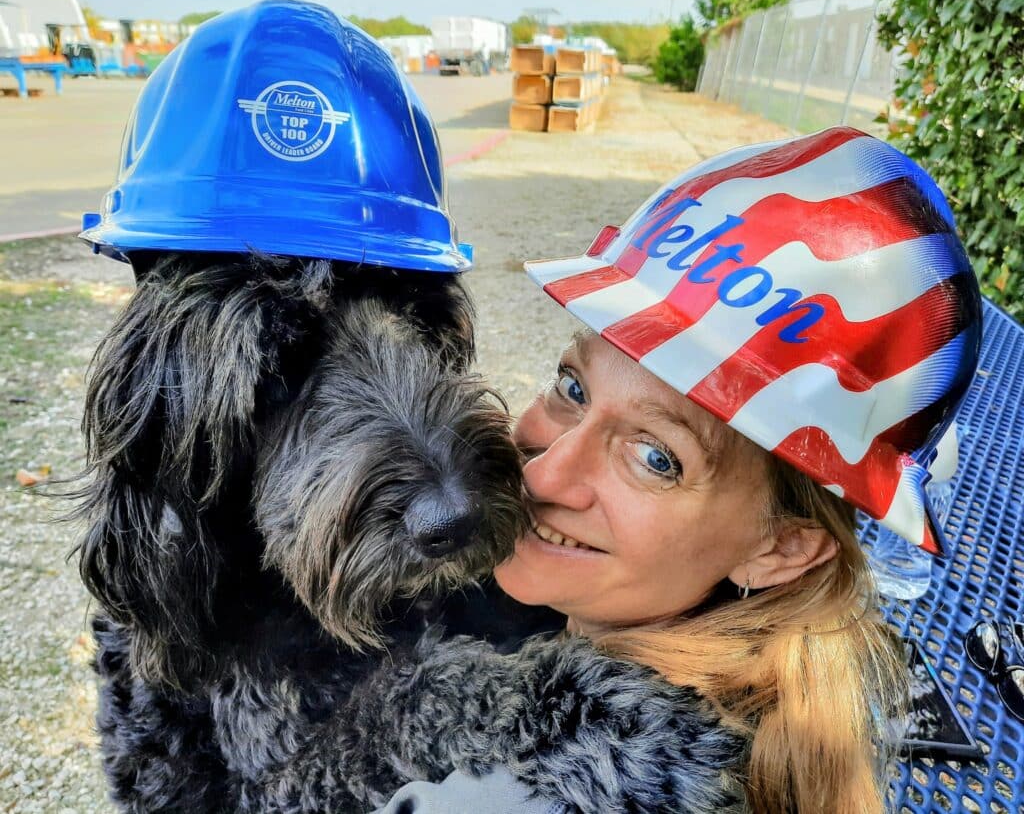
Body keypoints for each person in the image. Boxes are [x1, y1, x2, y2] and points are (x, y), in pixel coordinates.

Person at [377, 126, 983, 813]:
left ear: (782, 547)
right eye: (574, 387)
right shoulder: (789, 693)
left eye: (657, 457)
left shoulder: (520, 795)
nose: (542, 475)